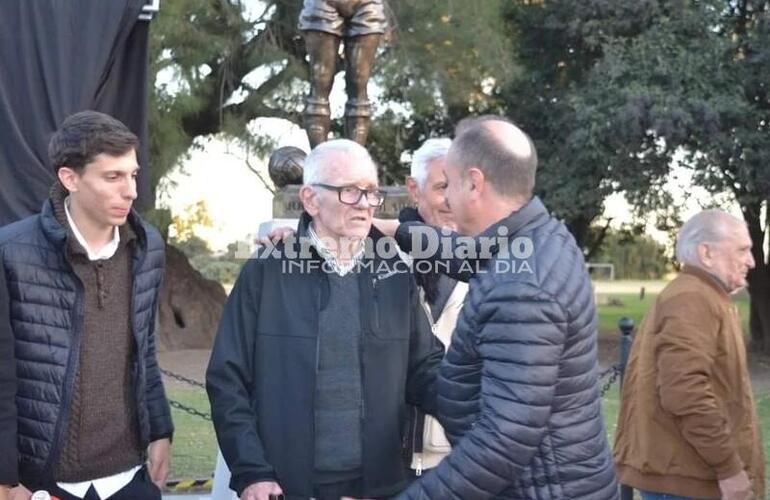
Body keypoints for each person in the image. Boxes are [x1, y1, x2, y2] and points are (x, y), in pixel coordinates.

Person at [379, 116, 619, 499]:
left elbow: (503, 441)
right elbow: (471, 255)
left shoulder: (522, 288)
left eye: (450, 184)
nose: (448, 199)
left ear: (474, 183)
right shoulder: (538, 237)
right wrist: (395, 230)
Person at [206, 139, 443, 500]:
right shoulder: (266, 270)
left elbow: (424, 369)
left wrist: (490, 405)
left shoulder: (394, 271)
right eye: (350, 192)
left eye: (371, 192)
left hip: (378, 488)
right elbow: (227, 378)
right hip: (284, 487)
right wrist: (252, 471)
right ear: (311, 200)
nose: (365, 204)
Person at [0, 111, 174, 499]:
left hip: (129, 477)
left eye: (132, 174)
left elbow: (144, 350)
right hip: (42, 483)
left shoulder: (148, 248)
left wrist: (160, 429)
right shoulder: (10, 252)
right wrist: (6, 479)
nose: (130, 190)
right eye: (112, 176)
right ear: (70, 178)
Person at [614, 210, 765, 500]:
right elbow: (685, 392)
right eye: (743, 250)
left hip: (688, 474)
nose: (751, 261)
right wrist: (729, 469)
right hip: (689, 481)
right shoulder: (692, 298)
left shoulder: (704, 295)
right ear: (706, 253)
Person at [400, 138, 467, 477]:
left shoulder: (494, 265)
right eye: (443, 187)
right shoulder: (382, 258)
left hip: (464, 459)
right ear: (415, 189)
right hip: (391, 462)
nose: (454, 199)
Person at [299, 0, 387, 146]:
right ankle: (319, 161)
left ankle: (354, 161)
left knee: (359, 84)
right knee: (320, 81)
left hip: (367, 5)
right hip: (322, 4)